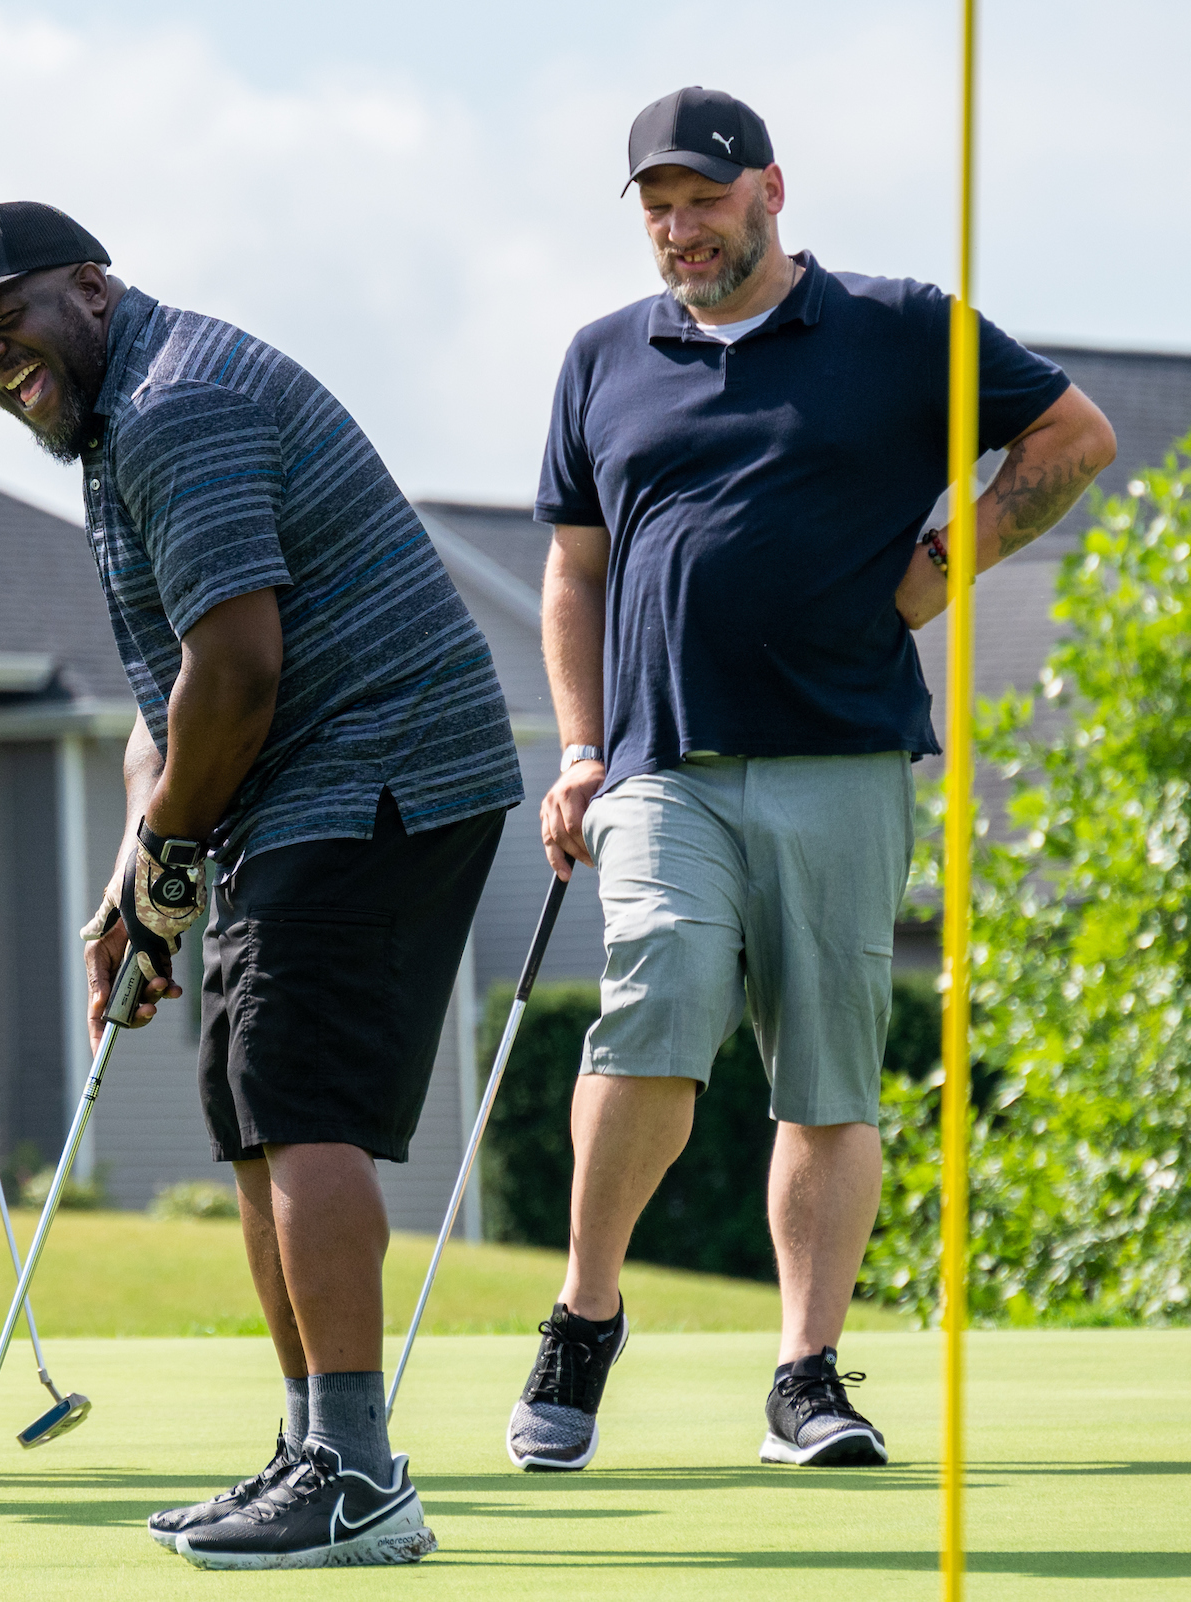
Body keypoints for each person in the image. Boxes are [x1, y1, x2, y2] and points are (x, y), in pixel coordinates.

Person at [0, 202, 524, 1570]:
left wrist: (171, 856)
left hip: (382, 770)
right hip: (301, 786)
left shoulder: (176, 407)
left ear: (91, 286)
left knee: (298, 1098)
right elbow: (172, 691)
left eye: (7, 320)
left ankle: (358, 1477)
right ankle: (311, 1449)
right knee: (247, 1103)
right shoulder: (115, 423)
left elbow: (238, 671)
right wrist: (141, 871)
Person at [516, 86, 1115, 1473]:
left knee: (830, 1075)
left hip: (843, 754)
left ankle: (806, 1375)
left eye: (704, 201)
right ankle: (585, 1316)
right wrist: (581, 748)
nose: (680, 229)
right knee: (655, 1001)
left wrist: (940, 570)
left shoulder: (899, 329)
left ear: (771, 191)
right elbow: (573, 569)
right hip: (661, 762)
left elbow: (1072, 438)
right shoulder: (602, 357)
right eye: (659, 209)